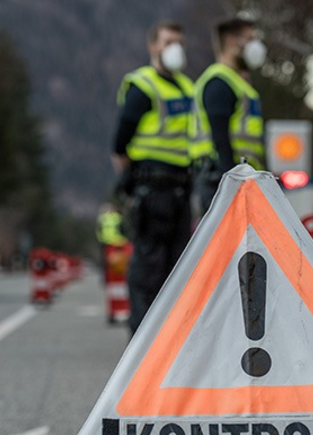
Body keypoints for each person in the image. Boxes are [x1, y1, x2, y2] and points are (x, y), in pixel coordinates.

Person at [111, 20, 194, 335]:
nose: (175, 49)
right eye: (169, 42)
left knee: (177, 270)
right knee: (149, 268)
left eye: (180, 42)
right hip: (152, 187)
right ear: (153, 46)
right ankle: (142, 343)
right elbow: (120, 143)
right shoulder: (143, 85)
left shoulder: (190, 88)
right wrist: (131, 180)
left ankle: (168, 343)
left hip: (181, 189)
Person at [190, 17, 267, 215]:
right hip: (222, 181)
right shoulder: (220, 83)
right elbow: (220, 138)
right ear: (233, 42)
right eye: (250, 39)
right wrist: (232, 181)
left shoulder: (238, 84)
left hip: (241, 179)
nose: (255, 45)